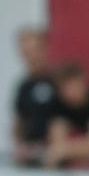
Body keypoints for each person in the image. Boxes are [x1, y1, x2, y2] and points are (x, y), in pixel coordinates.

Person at [43, 62, 89, 168]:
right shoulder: (58, 104)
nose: (71, 93)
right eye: (66, 89)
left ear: (84, 83)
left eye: (74, 86)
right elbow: (57, 141)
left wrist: (66, 149)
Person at [12, 27, 54, 166]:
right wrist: (19, 145)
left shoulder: (56, 81)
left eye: (32, 50)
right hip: (29, 155)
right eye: (25, 51)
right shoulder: (24, 86)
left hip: (54, 156)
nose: (28, 55)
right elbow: (19, 120)